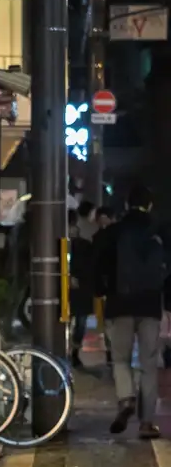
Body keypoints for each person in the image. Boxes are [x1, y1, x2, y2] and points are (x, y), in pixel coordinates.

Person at [94, 184, 169, 438]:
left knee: (121, 358)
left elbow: (99, 261)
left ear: (126, 205)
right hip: (150, 305)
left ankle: (126, 398)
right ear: (149, 205)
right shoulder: (160, 231)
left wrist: (100, 291)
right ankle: (147, 424)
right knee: (148, 364)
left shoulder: (114, 232)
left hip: (120, 304)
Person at [69, 206, 96, 368]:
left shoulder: (56, 244)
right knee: (80, 322)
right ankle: (73, 352)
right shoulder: (85, 244)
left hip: (78, 290)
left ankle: (73, 352)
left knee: (78, 321)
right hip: (82, 290)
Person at [93, 206, 116, 364]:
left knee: (109, 321)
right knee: (110, 321)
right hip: (112, 285)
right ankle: (111, 350)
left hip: (107, 284)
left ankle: (111, 350)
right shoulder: (117, 236)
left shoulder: (99, 237)